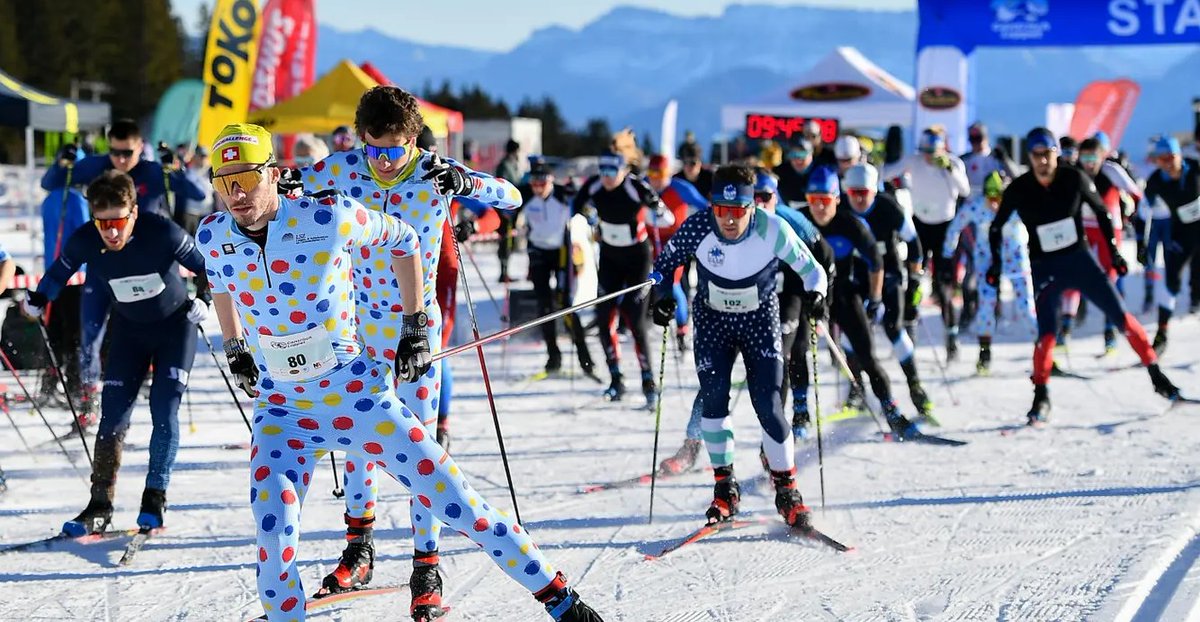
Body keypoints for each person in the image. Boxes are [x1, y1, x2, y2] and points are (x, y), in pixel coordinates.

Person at [200, 122, 603, 622]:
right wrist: (236, 344)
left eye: (248, 177)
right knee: (273, 537)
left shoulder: (330, 215)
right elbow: (220, 281)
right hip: (283, 410)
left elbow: (405, 239)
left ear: (273, 173)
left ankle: (560, 598)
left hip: (355, 394)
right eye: (225, 180)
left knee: (459, 505)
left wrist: (415, 325)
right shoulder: (212, 234)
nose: (237, 192)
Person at [302, 89, 522, 612]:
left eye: (396, 150)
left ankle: (427, 563)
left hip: (414, 333)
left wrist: (468, 182)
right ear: (361, 139)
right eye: (376, 150)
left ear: (413, 140)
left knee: (419, 446)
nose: (384, 163)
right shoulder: (340, 168)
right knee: (357, 443)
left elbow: (510, 197)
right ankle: (359, 547)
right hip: (355, 332)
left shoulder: (431, 171)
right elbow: (283, 187)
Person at [24, 170, 210, 536]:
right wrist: (39, 298)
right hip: (129, 333)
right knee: (112, 418)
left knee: (163, 408)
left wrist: (203, 298)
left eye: (119, 221)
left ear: (134, 213)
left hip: (175, 329)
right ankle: (99, 504)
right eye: (103, 222)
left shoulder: (163, 232)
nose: (111, 232)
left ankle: (154, 498)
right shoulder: (85, 239)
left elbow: (209, 267)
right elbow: (59, 272)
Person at [650, 164, 828, 530]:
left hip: (759, 319)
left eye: (738, 212)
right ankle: (724, 488)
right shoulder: (699, 227)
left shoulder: (773, 229)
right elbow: (665, 265)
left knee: (768, 402)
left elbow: (814, 271)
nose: (729, 221)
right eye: (721, 211)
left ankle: (787, 490)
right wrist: (663, 295)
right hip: (713, 320)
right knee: (714, 398)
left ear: (752, 207)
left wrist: (818, 296)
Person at [989, 128, 1181, 426]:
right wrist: (995, 265)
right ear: (1029, 157)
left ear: (1056, 153)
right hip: (1045, 267)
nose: (1043, 161)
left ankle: (1158, 377)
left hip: (1080, 261)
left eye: (1048, 154)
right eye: (1037, 156)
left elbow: (1102, 212)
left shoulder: (1073, 178)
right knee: (1047, 334)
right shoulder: (1019, 189)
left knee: (1122, 317)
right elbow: (996, 227)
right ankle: (1041, 396)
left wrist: (1115, 252)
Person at [802, 167, 923, 437]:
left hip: (849, 292)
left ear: (835, 198)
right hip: (810, 297)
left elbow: (877, 261)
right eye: (813, 200)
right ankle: (800, 415)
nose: (820, 207)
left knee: (870, 350)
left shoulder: (854, 221)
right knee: (797, 351)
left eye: (825, 199)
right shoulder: (801, 222)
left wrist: (877, 296)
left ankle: (894, 406)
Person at [572, 150, 670, 405]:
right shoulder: (594, 185)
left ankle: (648, 380)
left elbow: (664, 215)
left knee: (634, 318)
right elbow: (576, 205)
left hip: (637, 258)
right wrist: (586, 212)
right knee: (604, 318)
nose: (606, 177)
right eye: (602, 171)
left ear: (623, 171)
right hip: (610, 258)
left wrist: (657, 207)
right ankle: (616, 378)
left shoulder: (635, 186)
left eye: (611, 172)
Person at [843, 163, 934, 420]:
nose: (859, 199)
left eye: (865, 193)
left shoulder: (888, 208)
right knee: (853, 333)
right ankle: (856, 388)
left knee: (894, 328)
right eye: (854, 193)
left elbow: (914, 244)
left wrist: (915, 278)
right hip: (857, 278)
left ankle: (915, 387)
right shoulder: (842, 211)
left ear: (874, 191)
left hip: (890, 275)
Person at [882, 129, 971, 359]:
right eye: (926, 152)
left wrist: (949, 169)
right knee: (913, 280)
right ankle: (910, 329)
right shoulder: (915, 160)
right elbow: (887, 172)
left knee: (943, 286)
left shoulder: (952, 163)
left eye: (933, 153)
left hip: (945, 227)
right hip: (920, 225)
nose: (928, 157)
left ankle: (951, 335)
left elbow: (965, 189)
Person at [1058, 137, 1143, 355]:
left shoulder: (1111, 170)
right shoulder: (1075, 171)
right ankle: (1065, 328)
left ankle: (1109, 331)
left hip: (1109, 229)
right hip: (1085, 227)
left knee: (1109, 279)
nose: (1088, 163)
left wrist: (1132, 213)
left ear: (1101, 155)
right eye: (1084, 157)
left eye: (1092, 157)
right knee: (1074, 274)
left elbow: (1136, 193)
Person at [944, 172, 1033, 374]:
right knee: (985, 307)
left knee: (1026, 307)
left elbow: (1039, 220)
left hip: (1014, 257)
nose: (994, 204)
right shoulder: (977, 205)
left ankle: (1043, 350)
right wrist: (947, 253)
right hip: (987, 259)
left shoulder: (1016, 205)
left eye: (999, 198)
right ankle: (984, 354)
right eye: (990, 198)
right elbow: (955, 226)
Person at [520, 160, 598, 377]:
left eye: (542, 181)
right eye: (534, 181)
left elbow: (586, 207)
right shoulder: (526, 195)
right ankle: (553, 356)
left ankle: (585, 357)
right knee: (544, 307)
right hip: (538, 253)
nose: (537, 186)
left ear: (551, 179)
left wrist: (590, 214)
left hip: (561, 253)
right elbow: (507, 212)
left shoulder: (564, 195)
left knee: (565, 305)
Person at [1143, 136, 1200, 354]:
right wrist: (1141, 242)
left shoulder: (1194, 168)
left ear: (1179, 156)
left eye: (1171, 157)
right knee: (1171, 279)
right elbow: (1142, 211)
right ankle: (1162, 333)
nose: (1167, 163)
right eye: (1161, 159)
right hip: (1181, 233)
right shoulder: (1156, 180)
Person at [646, 154, 708, 350]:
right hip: (649, 241)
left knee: (673, 285)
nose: (656, 178)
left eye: (660, 173)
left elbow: (705, 207)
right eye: (652, 173)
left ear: (668, 173)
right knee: (647, 281)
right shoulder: (644, 186)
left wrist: (697, 229)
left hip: (675, 243)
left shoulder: (680, 187)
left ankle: (682, 328)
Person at [961, 122, 1016, 197]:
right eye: (972, 139)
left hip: (994, 200)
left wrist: (1005, 159)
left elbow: (1015, 177)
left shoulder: (997, 157)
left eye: (978, 138)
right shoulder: (965, 159)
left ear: (985, 137)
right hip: (971, 201)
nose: (975, 143)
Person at [495, 139, 523, 283]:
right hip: (505, 210)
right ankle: (504, 272)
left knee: (509, 240)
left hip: (512, 209)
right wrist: (504, 208)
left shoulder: (512, 164)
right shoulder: (505, 166)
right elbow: (502, 187)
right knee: (505, 240)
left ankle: (506, 271)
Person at [773, 137, 814, 206]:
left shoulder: (822, 173)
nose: (798, 160)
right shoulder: (780, 173)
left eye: (802, 155)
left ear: (811, 154)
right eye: (793, 155)